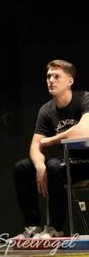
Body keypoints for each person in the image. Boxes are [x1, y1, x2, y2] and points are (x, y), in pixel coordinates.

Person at [13, 59, 89, 239]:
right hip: (66, 163)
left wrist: (52, 140)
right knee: (23, 168)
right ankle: (32, 226)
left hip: (85, 164)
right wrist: (40, 166)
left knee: (54, 165)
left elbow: (84, 129)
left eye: (56, 76)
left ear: (70, 81)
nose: (51, 80)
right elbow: (36, 145)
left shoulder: (84, 98)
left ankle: (54, 228)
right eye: (48, 77)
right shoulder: (46, 110)